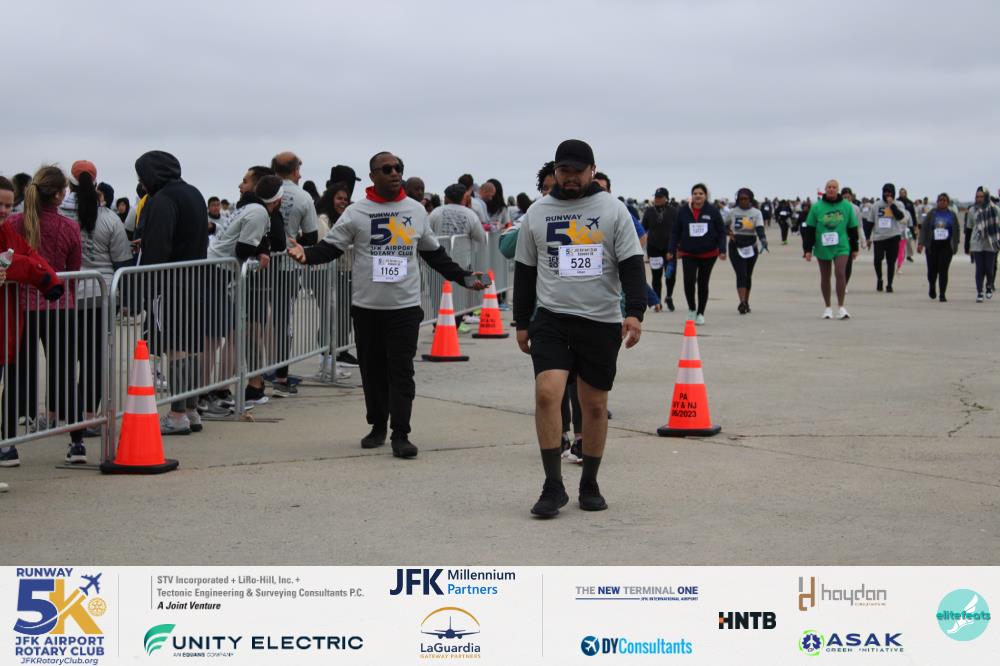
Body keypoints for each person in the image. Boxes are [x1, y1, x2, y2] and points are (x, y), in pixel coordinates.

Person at [288, 151, 486, 458]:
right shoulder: (357, 213)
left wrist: (463, 277)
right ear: (373, 176)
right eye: (387, 169)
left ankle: (401, 433)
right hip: (367, 308)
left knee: (401, 371)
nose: (395, 173)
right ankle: (378, 425)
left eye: (398, 168)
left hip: (405, 308)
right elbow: (331, 247)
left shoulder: (415, 210)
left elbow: (433, 253)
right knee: (373, 371)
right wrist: (306, 255)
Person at [514, 139, 645, 518]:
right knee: (546, 394)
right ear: (555, 171)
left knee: (594, 405)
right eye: (564, 170)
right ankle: (552, 485)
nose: (570, 177)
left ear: (592, 171)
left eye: (578, 171)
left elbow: (632, 263)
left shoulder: (612, 210)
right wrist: (522, 321)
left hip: (600, 320)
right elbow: (524, 270)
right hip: (552, 318)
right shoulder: (538, 212)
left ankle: (589, 482)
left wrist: (634, 312)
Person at [3, 166, 84, 462]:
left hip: (21, 307)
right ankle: (77, 443)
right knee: (64, 375)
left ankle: (8, 444)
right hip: (59, 306)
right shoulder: (69, 227)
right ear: (60, 195)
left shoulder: (13, 223)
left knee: (16, 376)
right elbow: (74, 269)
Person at [135, 150, 210, 435]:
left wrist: (145, 285)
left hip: (169, 283)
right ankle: (190, 410)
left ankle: (177, 414)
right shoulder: (194, 193)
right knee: (191, 347)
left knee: (175, 347)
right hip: (196, 278)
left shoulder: (161, 199)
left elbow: (158, 247)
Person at [59, 161, 133, 439]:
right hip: (100, 295)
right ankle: (90, 416)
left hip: (64, 295)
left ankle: (62, 414)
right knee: (94, 358)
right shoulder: (110, 218)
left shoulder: (60, 215)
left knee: (63, 358)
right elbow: (122, 261)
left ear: (69, 184)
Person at [269, 151, 319, 396]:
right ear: (296, 170)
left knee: (257, 320)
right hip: (287, 265)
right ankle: (281, 374)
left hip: (259, 264)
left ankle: (257, 373)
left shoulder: (262, 189)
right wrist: (295, 239)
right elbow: (312, 236)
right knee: (282, 320)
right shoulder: (303, 197)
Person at [667, 183, 726, 325]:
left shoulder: (712, 211)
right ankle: (692, 309)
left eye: (701, 193)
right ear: (691, 195)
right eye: (695, 193)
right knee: (689, 282)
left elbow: (721, 231)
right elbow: (675, 232)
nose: (698, 196)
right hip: (688, 253)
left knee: (703, 283)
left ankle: (700, 313)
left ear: (706, 196)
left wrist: (722, 250)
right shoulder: (683, 211)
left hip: (708, 254)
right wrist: (671, 250)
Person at [801, 179, 859, 319]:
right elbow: (810, 229)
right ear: (825, 189)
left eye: (834, 187)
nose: (831, 189)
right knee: (825, 276)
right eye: (829, 187)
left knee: (840, 272)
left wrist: (855, 248)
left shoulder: (846, 206)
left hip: (842, 245)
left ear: (838, 190)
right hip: (823, 245)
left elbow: (852, 227)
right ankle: (827, 307)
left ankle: (841, 307)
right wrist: (807, 249)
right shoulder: (817, 207)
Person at [726, 187, 768, 314]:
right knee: (741, 274)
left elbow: (759, 228)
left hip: (751, 246)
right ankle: (742, 302)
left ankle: (746, 301)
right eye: (741, 199)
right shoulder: (732, 212)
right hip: (736, 246)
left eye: (745, 199)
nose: (743, 201)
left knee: (748, 275)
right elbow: (723, 225)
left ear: (750, 199)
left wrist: (763, 239)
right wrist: (729, 233)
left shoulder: (756, 213)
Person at [918, 193, 960, 302]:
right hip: (932, 246)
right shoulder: (932, 213)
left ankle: (942, 294)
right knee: (932, 272)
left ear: (948, 202)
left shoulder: (952, 215)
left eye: (944, 200)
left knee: (943, 270)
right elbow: (924, 228)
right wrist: (921, 243)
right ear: (937, 202)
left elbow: (956, 230)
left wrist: (956, 244)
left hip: (946, 247)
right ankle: (932, 286)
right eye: (940, 200)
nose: (942, 202)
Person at [867, 183, 908, 292]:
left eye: (889, 192)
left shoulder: (899, 204)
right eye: (885, 192)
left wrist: (891, 205)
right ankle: (879, 279)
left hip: (893, 236)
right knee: (877, 259)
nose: (887, 194)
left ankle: (889, 284)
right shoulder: (876, 205)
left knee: (891, 261)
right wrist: (867, 237)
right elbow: (870, 222)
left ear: (893, 193)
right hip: (879, 237)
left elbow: (900, 217)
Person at [641, 187, 676, 312]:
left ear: (666, 198)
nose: (657, 199)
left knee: (670, 275)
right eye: (656, 197)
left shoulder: (673, 211)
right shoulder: (649, 211)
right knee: (656, 277)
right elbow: (643, 228)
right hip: (654, 248)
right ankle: (657, 301)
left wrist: (676, 247)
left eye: (660, 197)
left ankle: (669, 296)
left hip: (669, 249)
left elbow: (678, 230)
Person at [964, 186, 1000, 302]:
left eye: (982, 197)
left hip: (991, 243)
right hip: (976, 243)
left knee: (989, 269)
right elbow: (969, 228)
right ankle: (979, 292)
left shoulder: (995, 210)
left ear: (987, 197)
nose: (979, 199)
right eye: (977, 197)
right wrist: (966, 245)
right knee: (979, 268)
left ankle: (989, 285)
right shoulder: (972, 210)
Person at [840, 187, 862, 287]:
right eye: (844, 197)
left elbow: (859, 226)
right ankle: (840, 282)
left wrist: (862, 240)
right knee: (840, 265)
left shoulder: (856, 208)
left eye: (848, 197)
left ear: (851, 197)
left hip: (851, 239)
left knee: (848, 264)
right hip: (839, 239)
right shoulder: (837, 207)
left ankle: (844, 284)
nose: (846, 199)